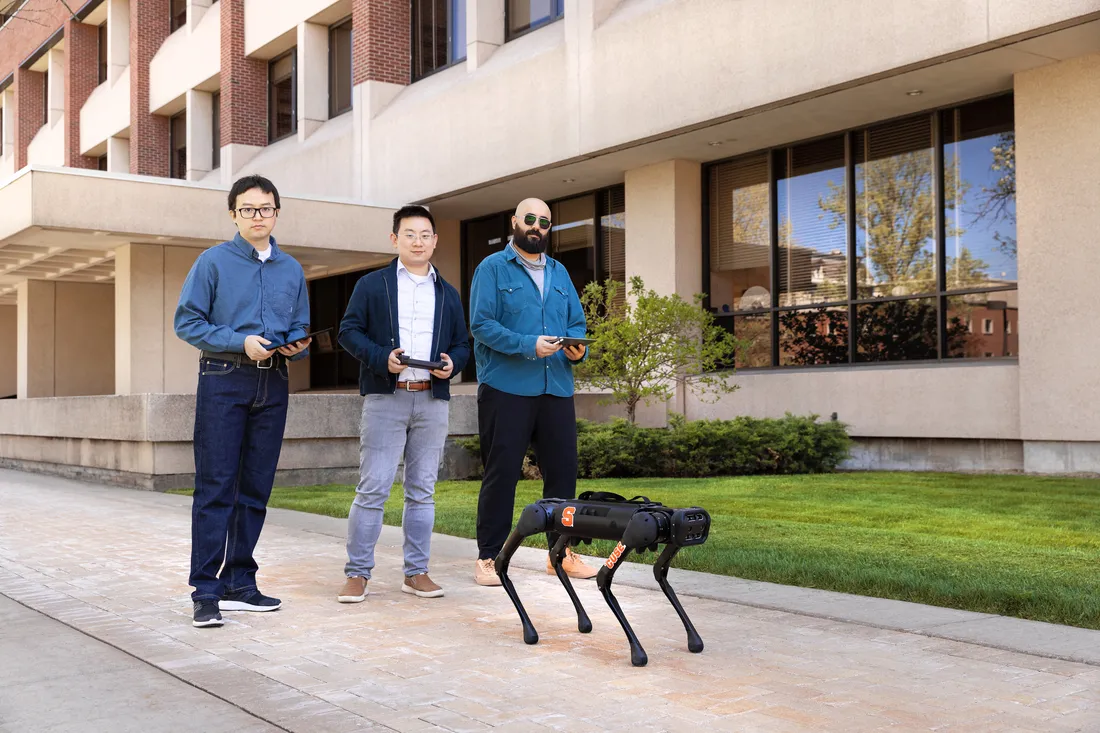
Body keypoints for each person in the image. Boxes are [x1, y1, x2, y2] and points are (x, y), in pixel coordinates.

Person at [174, 175, 312, 628]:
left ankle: (240, 582)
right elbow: (187, 323)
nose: (258, 216)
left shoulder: (291, 269)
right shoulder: (212, 262)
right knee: (216, 487)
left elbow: (300, 327)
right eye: (249, 209)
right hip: (223, 379)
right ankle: (206, 590)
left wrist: (295, 344)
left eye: (266, 208)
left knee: (255, 489)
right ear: (234, 214)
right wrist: (240, 342)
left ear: (276, 213)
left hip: (273, 383)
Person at [336, 205, 470, 602]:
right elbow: (348, 331)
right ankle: (357, 573)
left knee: (422, 491)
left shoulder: (447, 293)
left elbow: (462, 344)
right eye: (409, 234)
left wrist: (452, 364)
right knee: (373, 487)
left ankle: (417, 572)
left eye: (425, 234)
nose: (418, 241)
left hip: (432, 399)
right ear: (395, 239)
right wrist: (382, 358)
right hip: (386, 398)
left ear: (435, 241)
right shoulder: (373, 285)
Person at [468, 197, 599, 586]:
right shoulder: (491, 269)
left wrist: (579, 349)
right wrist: (528, 344)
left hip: (556, 386)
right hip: (507, 388)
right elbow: (481, 325)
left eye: (544, 221)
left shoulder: (559, 273)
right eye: (529, 219)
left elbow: (576, 323)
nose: (536, 226)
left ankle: (561, 553)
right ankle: (489, 557)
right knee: (501, 474)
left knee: (562, 475)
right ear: (514, 222)